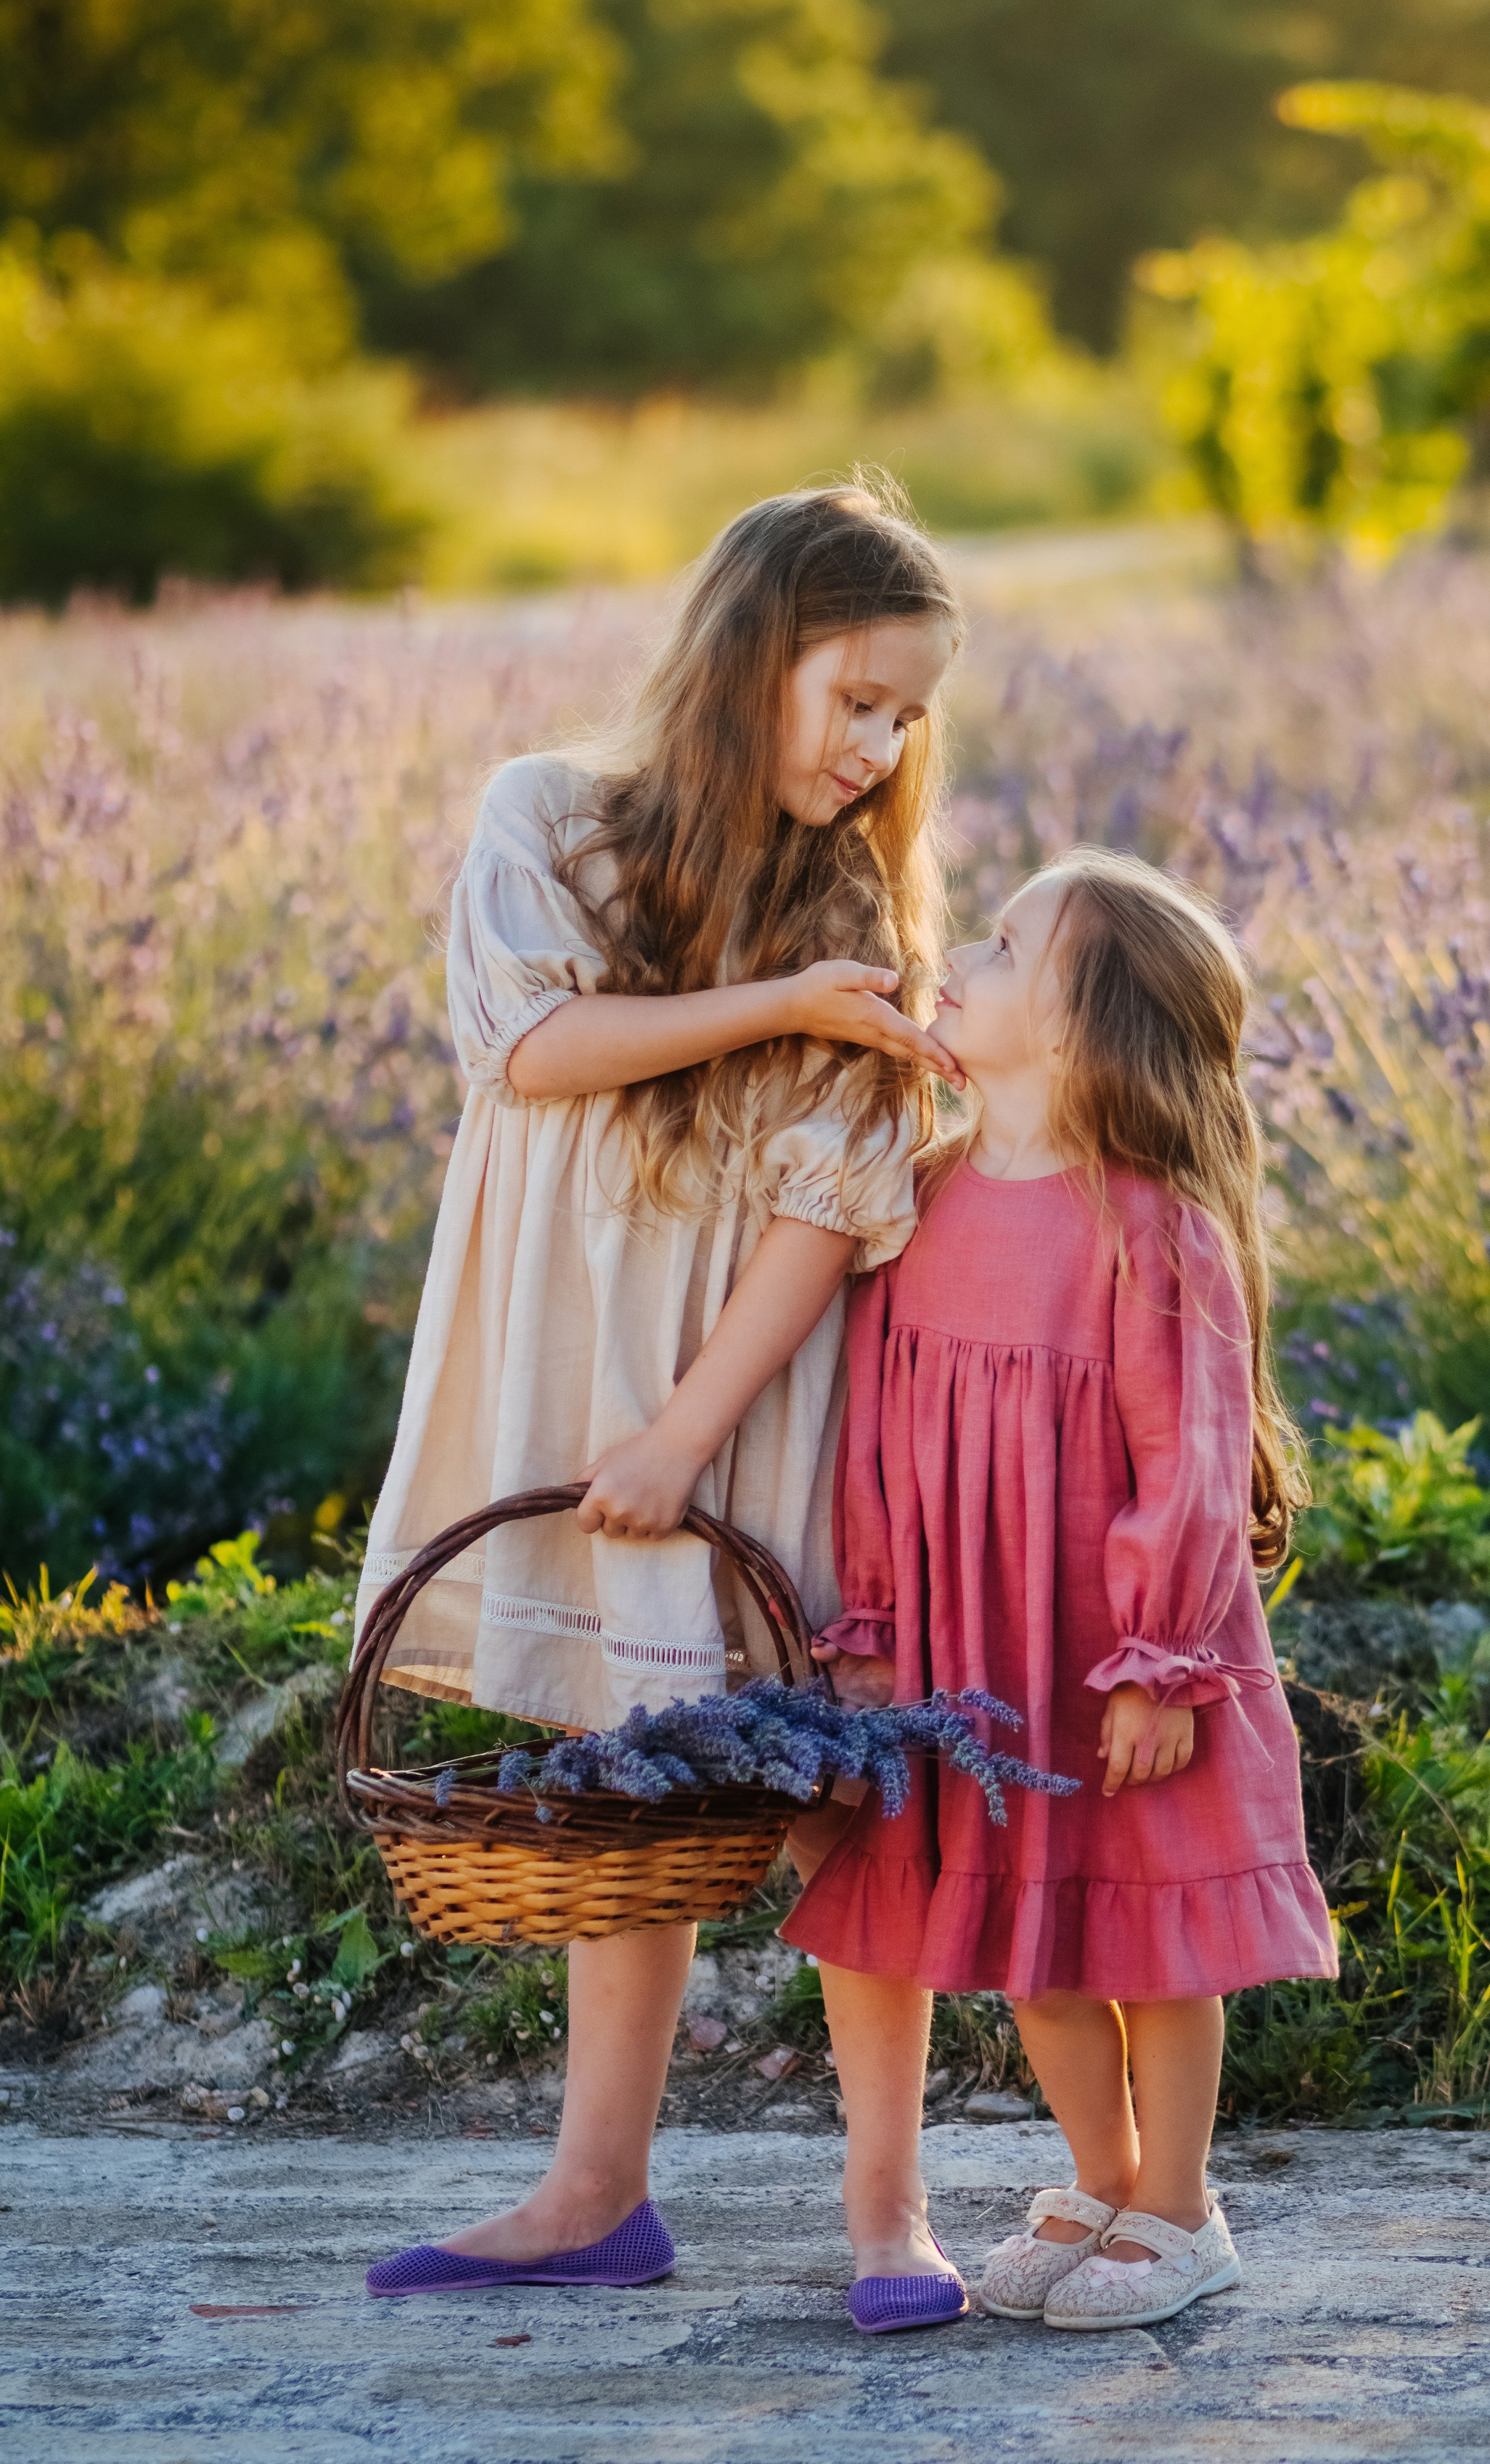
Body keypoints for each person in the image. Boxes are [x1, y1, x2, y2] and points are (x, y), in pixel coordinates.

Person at [359, 481, 965, 2299]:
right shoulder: (547, 820)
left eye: (906, 717)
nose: (877, 747)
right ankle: (592, 2193)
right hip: (565, 1389)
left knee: (824, 1791)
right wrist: (778, 1000)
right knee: (614, 1777)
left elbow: (825, 1209)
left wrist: (688, 1432)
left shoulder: (856, 914)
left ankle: (887, 2208)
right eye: (853, 696)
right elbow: (533, 1044)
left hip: (731, 1405)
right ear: (749, 654)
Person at [785, 847, 1338, 2334]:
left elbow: (1196, 1456)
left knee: (1147, 1935)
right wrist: (875, 1628)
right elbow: (878, 1445)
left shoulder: (1149, 1227)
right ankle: (1102, 2180)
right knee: (1037, 1935)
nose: (961, 951)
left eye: (1009, 944)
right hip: (987, 1662)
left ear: (1085, 1024)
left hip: (1117, 1660)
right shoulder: (916, 1197)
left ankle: (1182, 2208)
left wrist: (1162, 1662)